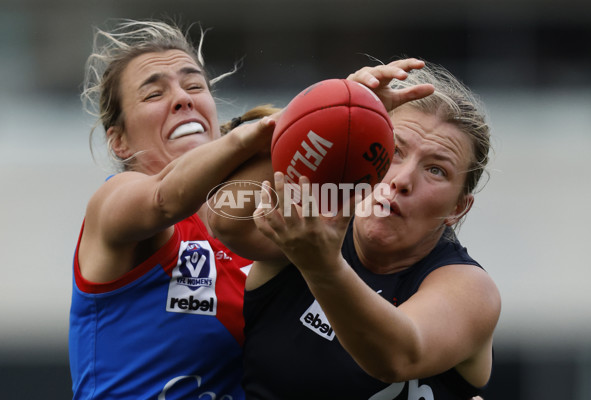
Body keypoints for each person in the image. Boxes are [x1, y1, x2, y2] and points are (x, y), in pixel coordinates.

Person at [234, 59, 501, 399]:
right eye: (393, 151)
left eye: (436, 170)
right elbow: (226, 221)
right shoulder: (302, 226)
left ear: (457, 209)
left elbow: (399, 356)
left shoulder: (469, 289)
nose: (402, 180)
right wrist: (329, 116)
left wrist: (322, 268)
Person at [68, 19, 279, 399]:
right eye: (153, 94)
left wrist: (358, 107)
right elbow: (165, 198)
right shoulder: (115, 203)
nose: (183, 98)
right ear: (119, 142)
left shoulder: (254, 221)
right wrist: (261, 135)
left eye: (194, 85)